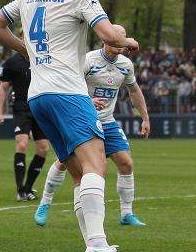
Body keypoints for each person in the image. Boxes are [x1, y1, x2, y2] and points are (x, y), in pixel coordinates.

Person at [0, 0, 140, 252]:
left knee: (79, 174)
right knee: (97, 164)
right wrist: (127, 41)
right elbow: (109, 36)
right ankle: (98, 243)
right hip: (69, 93)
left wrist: (23, 48)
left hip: (38, 97)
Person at [34, 24, 151, 231]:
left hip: (107, 121)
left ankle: (126, 213)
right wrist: (88, 100)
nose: (119, 43)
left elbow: (134, 91)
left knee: (126, 163)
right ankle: (45, 202)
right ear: (106, 38)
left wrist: (145, 118)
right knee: (64, 162)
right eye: (116, 37)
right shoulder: (89, 60)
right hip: (81, 119)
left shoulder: (125, 65)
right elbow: (67, 84)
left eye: (122, 38)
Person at [0, 52, 50, 201]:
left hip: (41, 109)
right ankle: (20, 190)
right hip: (22, 109)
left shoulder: (44, 58)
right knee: (22, 143)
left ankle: (28, 188)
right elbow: (3, 88)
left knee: (44, 149)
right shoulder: (12, 62)